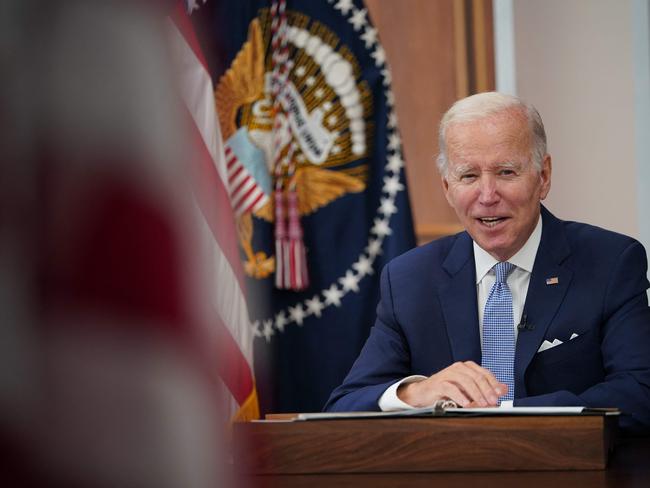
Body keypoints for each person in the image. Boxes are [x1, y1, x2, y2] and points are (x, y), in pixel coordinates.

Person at [324, 91, 650, 433]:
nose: (487, 195)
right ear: (447, 186)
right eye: (468, 176)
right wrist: (418, 392)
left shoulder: (610, 263)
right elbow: (344, 406)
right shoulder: (409, 280)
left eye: (506, 172)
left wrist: (506, 415)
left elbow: (639, 394)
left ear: (543, 176)